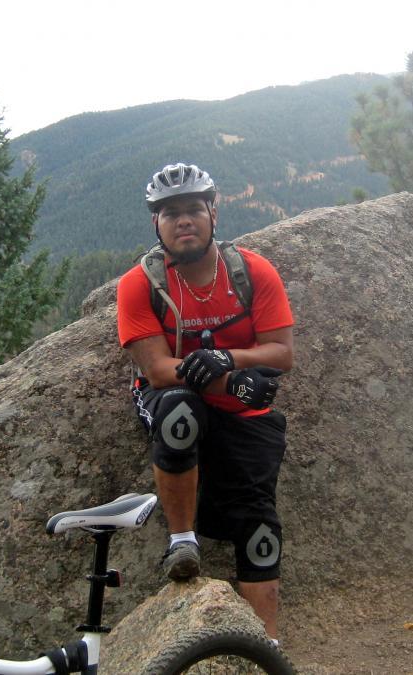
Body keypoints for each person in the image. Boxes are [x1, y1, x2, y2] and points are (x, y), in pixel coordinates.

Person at [116, 163, 294, 639]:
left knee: (259, 527)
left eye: (194, 208)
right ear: (157, 223)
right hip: (176, 399)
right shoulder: (141, 284)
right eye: (170, 213)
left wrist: (225, 356)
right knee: (178, 410)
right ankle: (182, 542)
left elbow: (282, 353)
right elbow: (156, 369)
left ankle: (266, 651)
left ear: (214, 212)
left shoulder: (251, 271)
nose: (183, 220)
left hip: (244, 416)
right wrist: (235, 382)